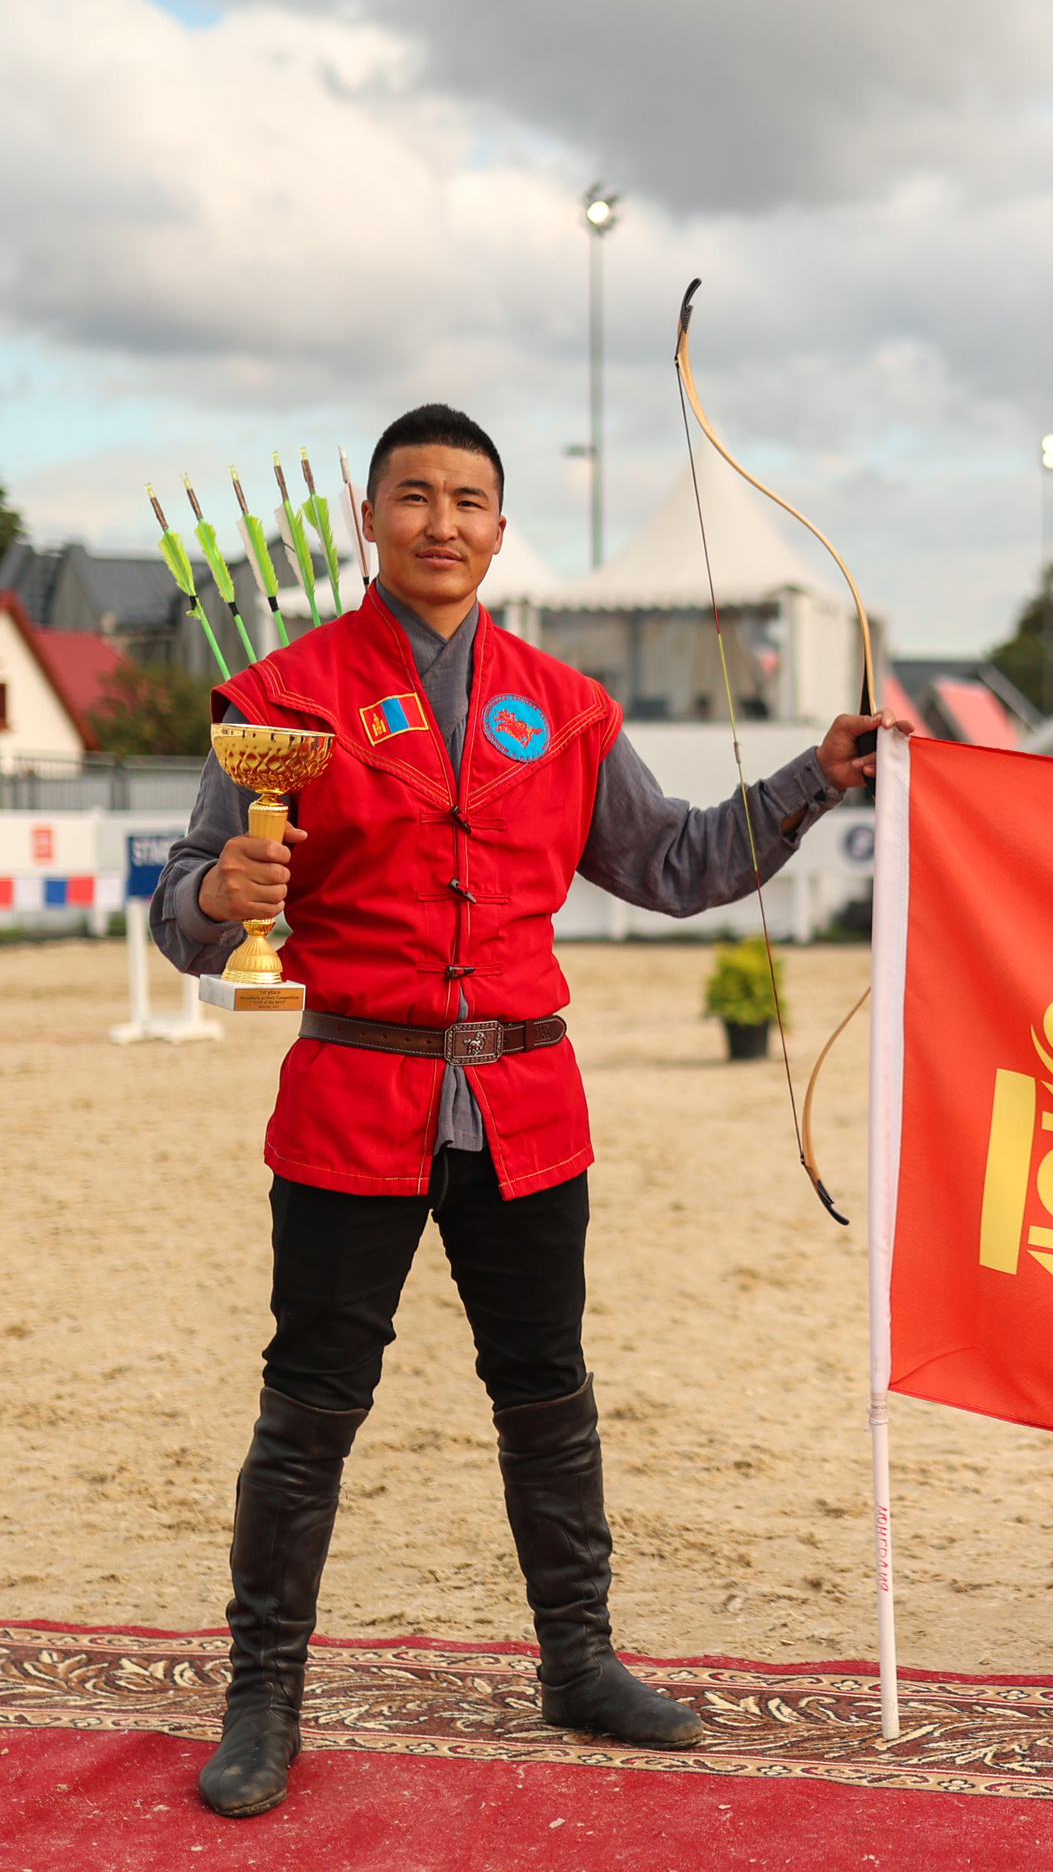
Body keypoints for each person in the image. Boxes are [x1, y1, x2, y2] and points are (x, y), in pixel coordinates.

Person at [152, 404, 902, 1819]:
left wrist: (817, 775)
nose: (445, 522)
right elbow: (186, 909)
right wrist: (213, 896)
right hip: (350, 1092)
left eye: (472, 500)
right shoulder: (281, 697)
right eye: (416, 496)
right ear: (366, 522)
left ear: (501, 528)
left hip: (524, 1103)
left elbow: (676, 862)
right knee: (310, 1402)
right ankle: (264, 1696)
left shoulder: (562, 705)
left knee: (546, 1391)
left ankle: (579, 1659)